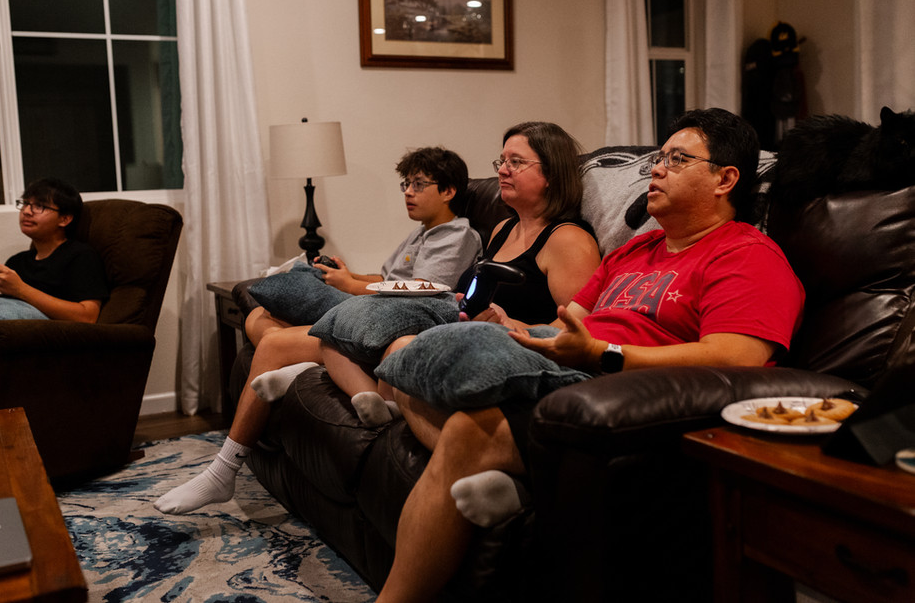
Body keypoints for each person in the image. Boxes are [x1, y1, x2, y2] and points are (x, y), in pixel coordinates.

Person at [371, 108, 805, 602]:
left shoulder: (746, 254)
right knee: (405, 364)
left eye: (677, 159)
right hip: (568, 367)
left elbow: (737, 357)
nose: (656, 169)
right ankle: (516, 477)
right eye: (658, 158)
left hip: (625, 397)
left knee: (469, 428)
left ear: (725, 179)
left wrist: (605, 353)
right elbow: (566, 322)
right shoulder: (630, 254)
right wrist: (518, 329)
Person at [154, 146, 483, 515]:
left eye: (419, 184)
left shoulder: (457, 234)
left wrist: (351, 287)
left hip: (393, 322)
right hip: (373, 310)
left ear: (449, 191)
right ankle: (309, 367)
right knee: (258, 316)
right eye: (405, 183)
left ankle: (223, 470)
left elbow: (423, 290)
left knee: (273, 343)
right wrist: (347, 274)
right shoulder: (421, 233)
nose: (408, 191)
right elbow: (387, 279)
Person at [318, 121, 603, 426]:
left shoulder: (568, 239)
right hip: (468, 329)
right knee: (334, 341)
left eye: (516, 162)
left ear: (551, 174)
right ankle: (380, 407)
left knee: (399, 347)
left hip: (519, 346)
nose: (503, 170)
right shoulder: (502, 229)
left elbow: (574, 327)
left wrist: (513, 324)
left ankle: (389, 414)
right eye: (502, 161)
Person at [0, 178, 109, 401]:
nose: (27, 211)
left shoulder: (81, 257)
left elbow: (88, 316)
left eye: (40, 206)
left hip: (38, 345)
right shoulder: (17, 262)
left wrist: (21, 290)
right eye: (25, 204)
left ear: (65, 219)